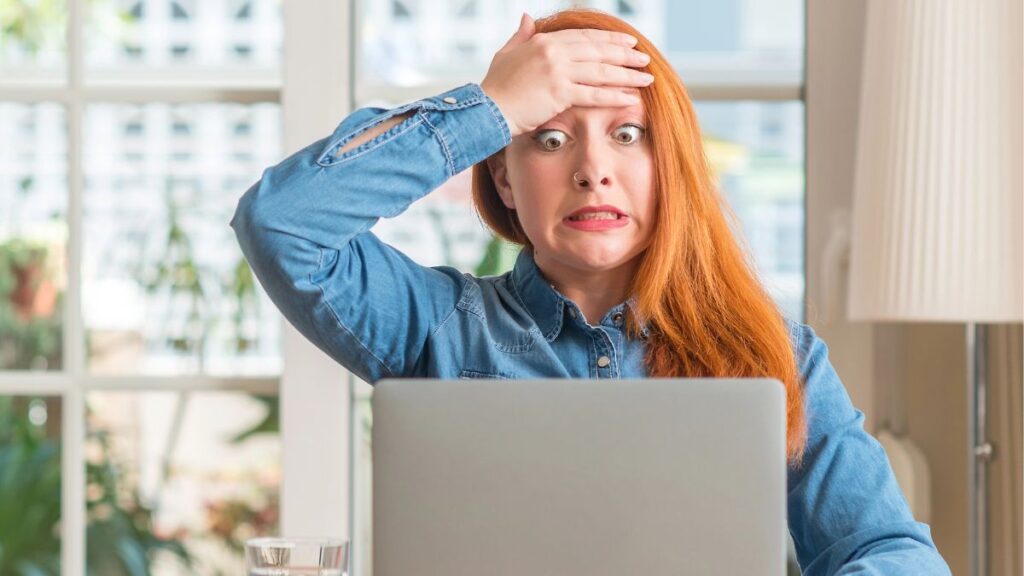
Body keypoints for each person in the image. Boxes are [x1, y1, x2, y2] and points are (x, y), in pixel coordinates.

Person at [230, 8, 951, 575]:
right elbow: (282, 221)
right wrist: (490, 106)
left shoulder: (775, 355)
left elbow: (893, 552)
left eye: (628, 135)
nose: (592, 170)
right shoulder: (437, 327)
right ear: (505, 179)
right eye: (548, 139)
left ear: (669, 167)